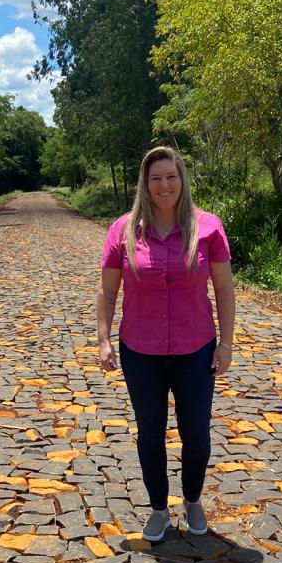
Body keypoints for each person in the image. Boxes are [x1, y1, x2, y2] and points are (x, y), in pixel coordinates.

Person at [97, 146, 236, 541]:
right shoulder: (122, 230)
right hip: (141, 350)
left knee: (197, 436)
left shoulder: (207, 228)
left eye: (171, 176)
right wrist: (104, 339)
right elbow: (107, 291)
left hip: (196, 349)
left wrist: (226, 343)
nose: (164, 185)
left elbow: (224, 288)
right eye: (155, 178)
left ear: (182, 180)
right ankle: (159, 509)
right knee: (150, 433)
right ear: (145, 183)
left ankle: (192, 500)